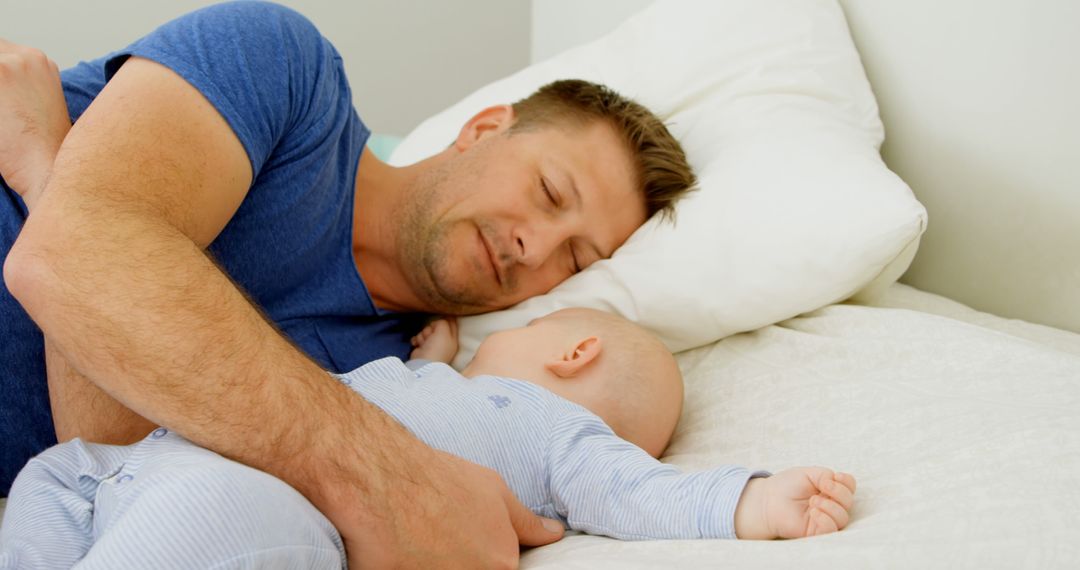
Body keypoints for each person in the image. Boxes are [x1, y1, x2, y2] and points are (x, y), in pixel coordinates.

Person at [0, 2, 699, 567]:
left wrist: (46, 169)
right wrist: (68, 220)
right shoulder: (286, 72)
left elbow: (122, 474)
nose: (536, 246)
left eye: (574, 259)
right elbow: (69, 258)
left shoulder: (386, 393)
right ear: (485, 129)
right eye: (548, 192)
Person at [0, 308, 857, 568]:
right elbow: (416, 393)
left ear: (575, 349)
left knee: (219, 524)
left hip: (258, 497)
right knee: (46, 478)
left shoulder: (558, 434)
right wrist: (438, 357)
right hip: (132, 468)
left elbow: (637, 494)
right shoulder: (446, 386)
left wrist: (749, 499)